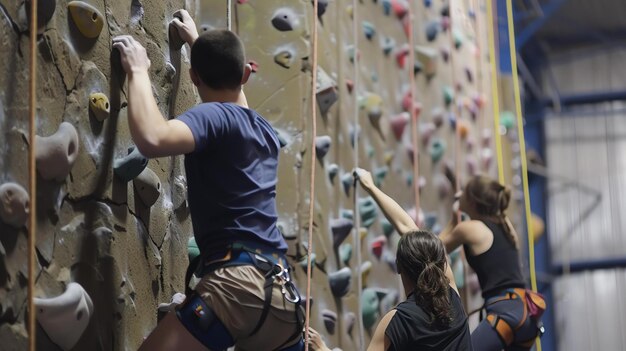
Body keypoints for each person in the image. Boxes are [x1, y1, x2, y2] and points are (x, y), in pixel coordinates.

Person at [112, 9, 303, 351]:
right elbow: (234, 94)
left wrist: (138, 70)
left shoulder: (213, 116)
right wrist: (197, 41)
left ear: (193, 77)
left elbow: (153, 138)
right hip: (281, 299)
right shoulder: (261, 129)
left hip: (236, 288)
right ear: (244, 74)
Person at [309, 168, 472, 351]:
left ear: (398, 267)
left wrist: (323, 349)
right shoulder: (452, 298)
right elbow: (408, 228)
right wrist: (371, 187)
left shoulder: (398, 321)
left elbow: (408, 227)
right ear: (441, 264)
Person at [439, 175, 545, 351]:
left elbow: (431, 247)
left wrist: (453, 218)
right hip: (526, 315)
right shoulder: (506, 225)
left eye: (464, 192)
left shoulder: (470, 228)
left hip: (505, 313)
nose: (460, 194)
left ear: (472, 201)